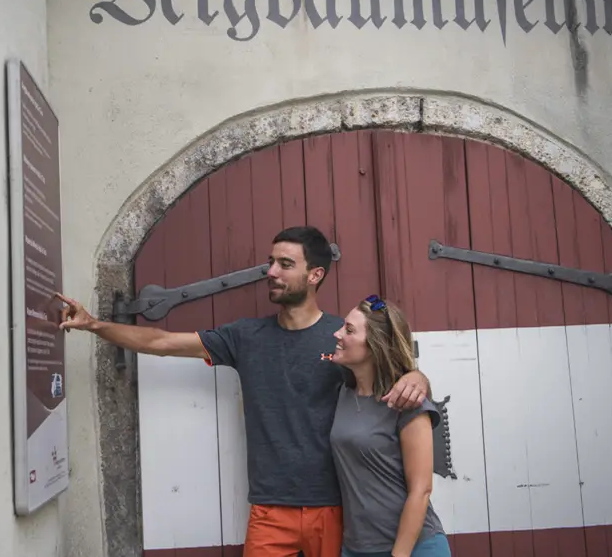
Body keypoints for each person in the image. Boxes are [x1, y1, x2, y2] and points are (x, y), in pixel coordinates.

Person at [55, 226, 431, 557]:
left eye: (285, 264)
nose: (271, 272)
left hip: (335, 508)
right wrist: (95, 325)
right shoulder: (246, 337)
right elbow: (163, 340)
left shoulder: (342, 341)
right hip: (269, 509)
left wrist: (418, 378)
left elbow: (391, 369)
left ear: (315, 274)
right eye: (271, 262)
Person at [327, 295, 449, 557]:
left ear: (374, 346)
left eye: (348, 330)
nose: (337, 334)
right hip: (356, 548)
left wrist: (399, 555)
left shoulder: (407, 402)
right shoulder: (343, 393)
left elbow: (421, 490)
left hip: (412, 549)